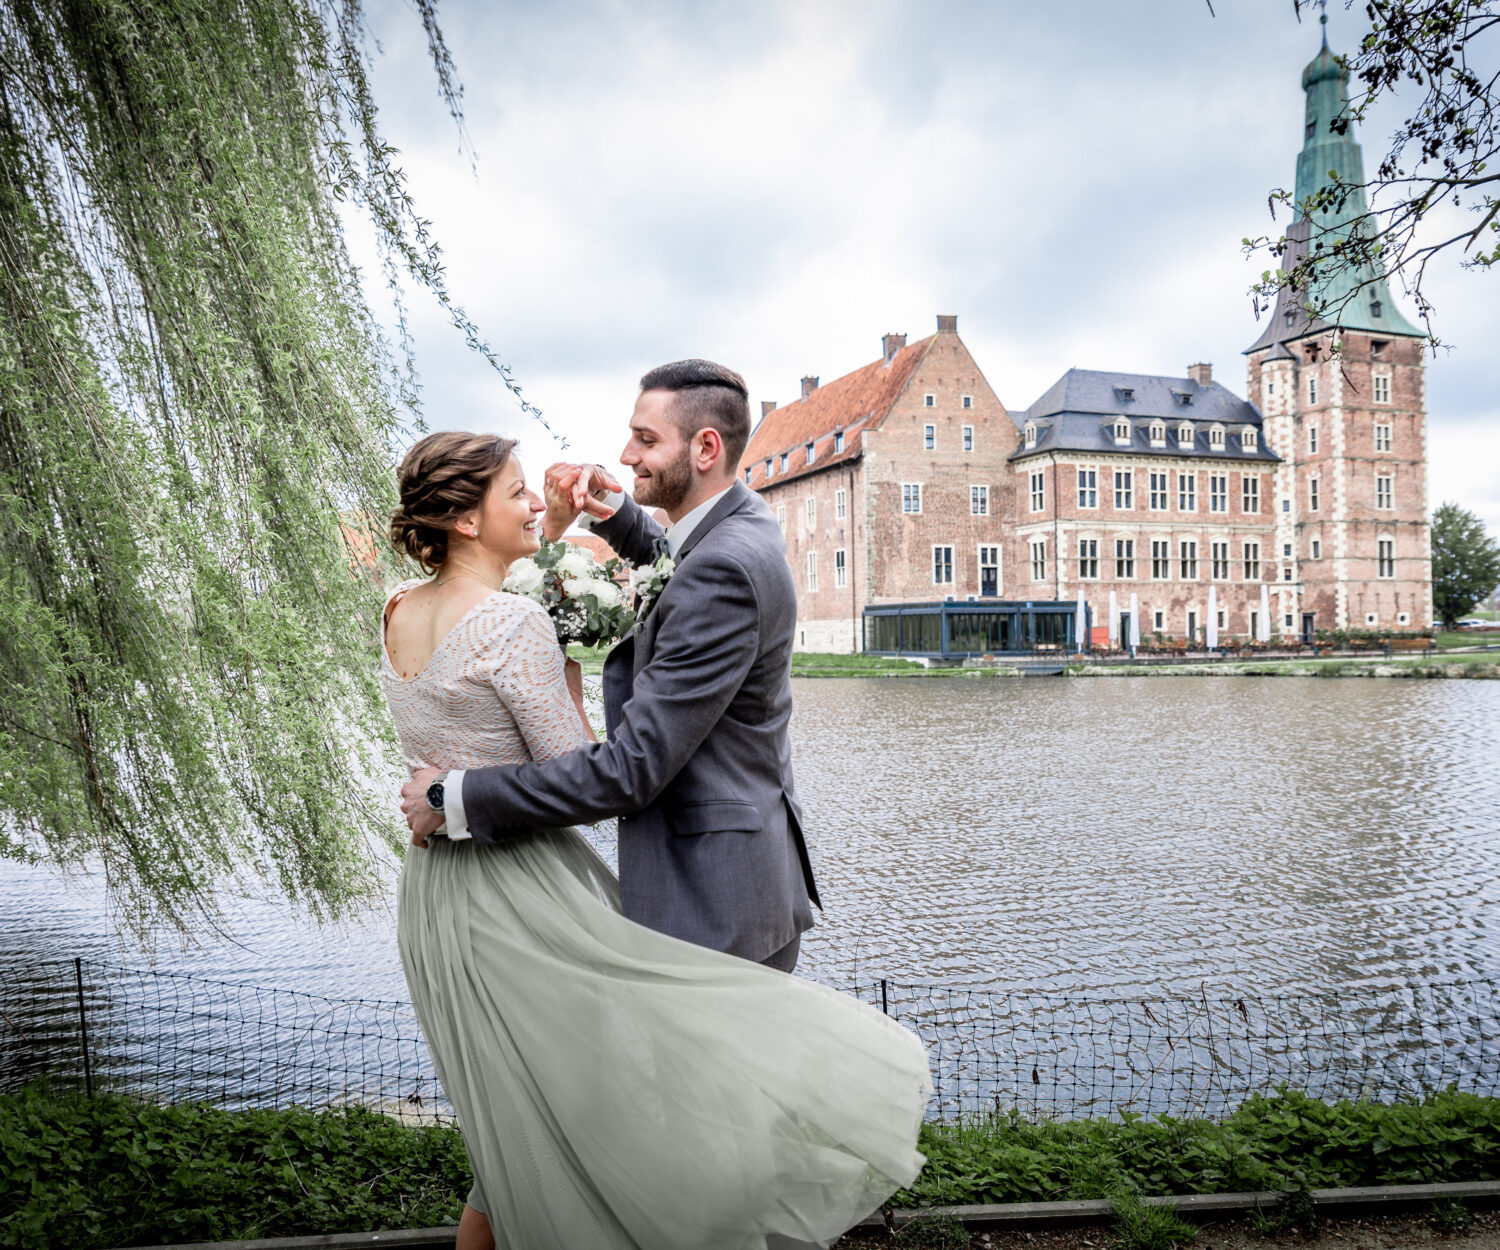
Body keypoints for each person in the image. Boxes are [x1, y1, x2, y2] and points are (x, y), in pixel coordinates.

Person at [381, 420, 929, 1250]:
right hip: (524, 893)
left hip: (435, 895)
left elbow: (463, 706)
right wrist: (569, 678)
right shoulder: (513, 626)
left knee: (507, 1130)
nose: (534, 505)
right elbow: (582, 781)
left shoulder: (397, 607)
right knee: (586, 1112)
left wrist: (574, 538)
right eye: (517, 493)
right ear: (465, 518)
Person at [402, 359, 813, 971]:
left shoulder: (724, 570)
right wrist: (615, 511)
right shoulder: (743, 519)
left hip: (713, 899)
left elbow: (629, 770)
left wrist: (452, 793)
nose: (625, 456)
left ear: (705, 448)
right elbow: (678, 559)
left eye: (646, 440)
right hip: (732, 876)